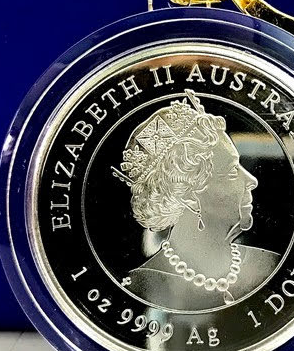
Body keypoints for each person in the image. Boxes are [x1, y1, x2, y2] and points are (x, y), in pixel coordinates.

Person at [112, 90, 279, 309]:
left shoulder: (269, 265)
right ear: (190, 197)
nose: (252, 180)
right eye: (231, 171)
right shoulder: (138, 289)